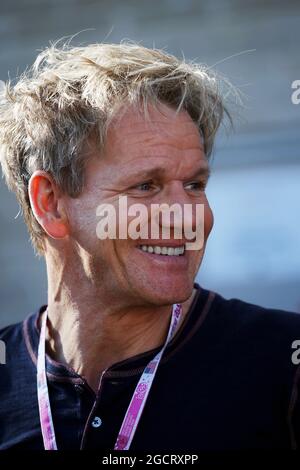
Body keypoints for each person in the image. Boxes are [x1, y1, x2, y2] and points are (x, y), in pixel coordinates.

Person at [0, 42, 299, 451]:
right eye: (146, 186)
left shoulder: (284, 364)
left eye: (194, 185)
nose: (185, 215)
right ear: (50, 203)